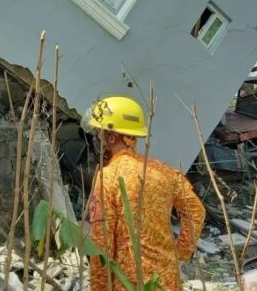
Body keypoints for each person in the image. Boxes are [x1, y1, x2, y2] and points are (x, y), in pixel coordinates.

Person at [83, 97, 206, 291]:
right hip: (166, 278)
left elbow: (102, 242)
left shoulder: (108, 177)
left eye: (99, 134)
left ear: (112, 137)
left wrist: (99, 287)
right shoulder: (165, 171)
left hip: (129, 280)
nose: (97, 140)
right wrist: (181, 252)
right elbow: (196, 212)